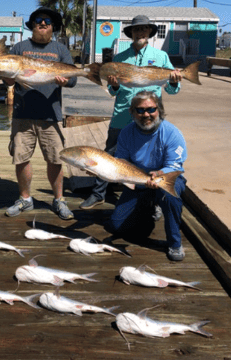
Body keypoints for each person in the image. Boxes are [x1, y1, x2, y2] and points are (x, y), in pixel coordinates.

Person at [80, 14, 182, 214]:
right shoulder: (119, 59)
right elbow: (112, 91)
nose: (140, 32)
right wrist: (115, 85)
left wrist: (174, 80)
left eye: (144, 29)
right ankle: (99, 193)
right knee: (109, 154)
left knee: (153, 158)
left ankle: (155, 198)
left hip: (151, 116)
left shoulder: (161, 57)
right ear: (131, 33)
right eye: (136, 29)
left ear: (150, 32)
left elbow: (171, 90)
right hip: (122, 115)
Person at [0, 7, 77, 220]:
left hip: (51, 115)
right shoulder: (19, 47)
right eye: (38, 21)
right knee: (21, 158)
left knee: (55, 159)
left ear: (53, 27)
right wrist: (6, 76)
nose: (43, 23)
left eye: (47, 21)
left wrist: (66, 79)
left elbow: (72, 79)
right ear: (32, 25)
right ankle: (25, 198)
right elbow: (9, 79)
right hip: (22, 114)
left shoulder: (60, 50)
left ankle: (59, 199)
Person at [106, 91, 187, 261]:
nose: (146, 114)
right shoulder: (126, 133)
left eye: (151, 109)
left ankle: (174, 242)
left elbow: (174, 165)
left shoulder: (172, 133)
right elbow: (120, 162)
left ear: (159, 109)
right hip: (138, 180)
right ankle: (150, 206)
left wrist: (158, 174)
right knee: (116, 226)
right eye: (140, 110)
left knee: (170, 196)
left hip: (167, 177)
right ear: (132, 112)